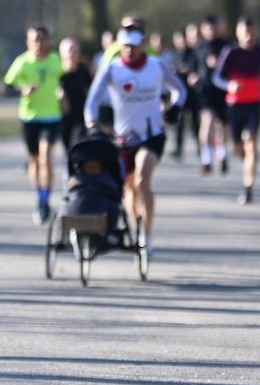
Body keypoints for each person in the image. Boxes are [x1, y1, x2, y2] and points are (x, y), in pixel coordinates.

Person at [83, 23, 186, 255]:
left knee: (141, 180)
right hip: (123, 138)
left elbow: (180, 89)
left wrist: (175, 106)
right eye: (124, 46)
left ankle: (147, 234)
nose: (129, 50)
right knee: (128, 188)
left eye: (133, 45)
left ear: (142, 44)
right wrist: (92, 124)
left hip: (152, 135)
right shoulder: (111, 69)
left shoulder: (157, 66)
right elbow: (92, 102)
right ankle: (136, 225)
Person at [212, 17, 260, 205]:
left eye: (251, 33)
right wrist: (229, 85)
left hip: (254, 105)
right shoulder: (230, 52)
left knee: (252, 144)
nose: (248, 37)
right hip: (235, 105)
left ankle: (248, 187)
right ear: (238, 34)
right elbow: (217, 78)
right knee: (238, 147)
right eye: (245, 33)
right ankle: (244, 158)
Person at [4, 24, 63, 224]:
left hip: (52, 116)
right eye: (34, 39)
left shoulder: (56, 60)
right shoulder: (22, 62)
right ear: (28, 42)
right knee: (34, 160)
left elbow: (66, 79)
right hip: (29, 117)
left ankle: (46, 201)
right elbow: (7, 87)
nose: (38, 43)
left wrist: (63, 93)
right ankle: (40, 199)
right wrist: (23, 90)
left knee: (46, 156)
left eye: (41, 39)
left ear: (48, 41)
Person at [195, 15, 231, 175]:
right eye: (208, 28)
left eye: (214, 27)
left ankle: (222, 155)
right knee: (207, 123)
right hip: (205, 91)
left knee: (222, 126)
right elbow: (193, 66)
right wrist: (192, 76)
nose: (211, 31)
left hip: (222, 90)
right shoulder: (199, 47)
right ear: (203, 29)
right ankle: (206, 159)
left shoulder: (226, 46)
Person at [58, 37, 93, 158]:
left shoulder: (83, 70)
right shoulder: (58, 71)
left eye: (76, 50)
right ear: (62, 53)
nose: (73, 54)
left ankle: (78, 170)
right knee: (67, 145)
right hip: (63, 116)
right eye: (70, 50)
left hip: (80, 114)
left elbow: (92, 89)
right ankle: (70, 170)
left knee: (78, 143)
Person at [171, 25, 201, 160]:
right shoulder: (175, 55)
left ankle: (200, 147)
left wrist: (189, 71)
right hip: (179, 94)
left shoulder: (193, 54)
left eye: (181, 39)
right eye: (177, 40)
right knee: (179, 122)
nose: (180, 42)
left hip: (192, 93)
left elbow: (196, 69)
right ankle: (178, 148)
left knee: (196, 122)